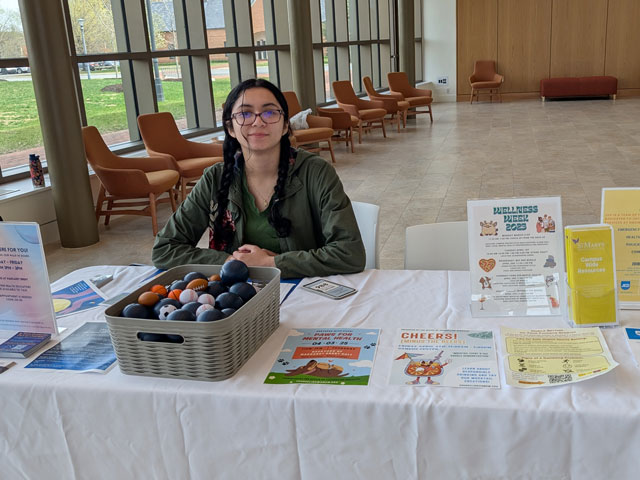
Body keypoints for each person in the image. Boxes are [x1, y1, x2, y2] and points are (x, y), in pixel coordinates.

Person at [152, 78, 365, 278]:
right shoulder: (215, 178)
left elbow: (349, 253)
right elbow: (165, 249)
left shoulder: (316, 172)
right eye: (244, 114)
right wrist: (232, 260)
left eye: (270, 113)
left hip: (305, 293)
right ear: (230, 128)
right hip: (234, 299)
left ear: (284, 126)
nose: (257, 122)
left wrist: (274, 263)